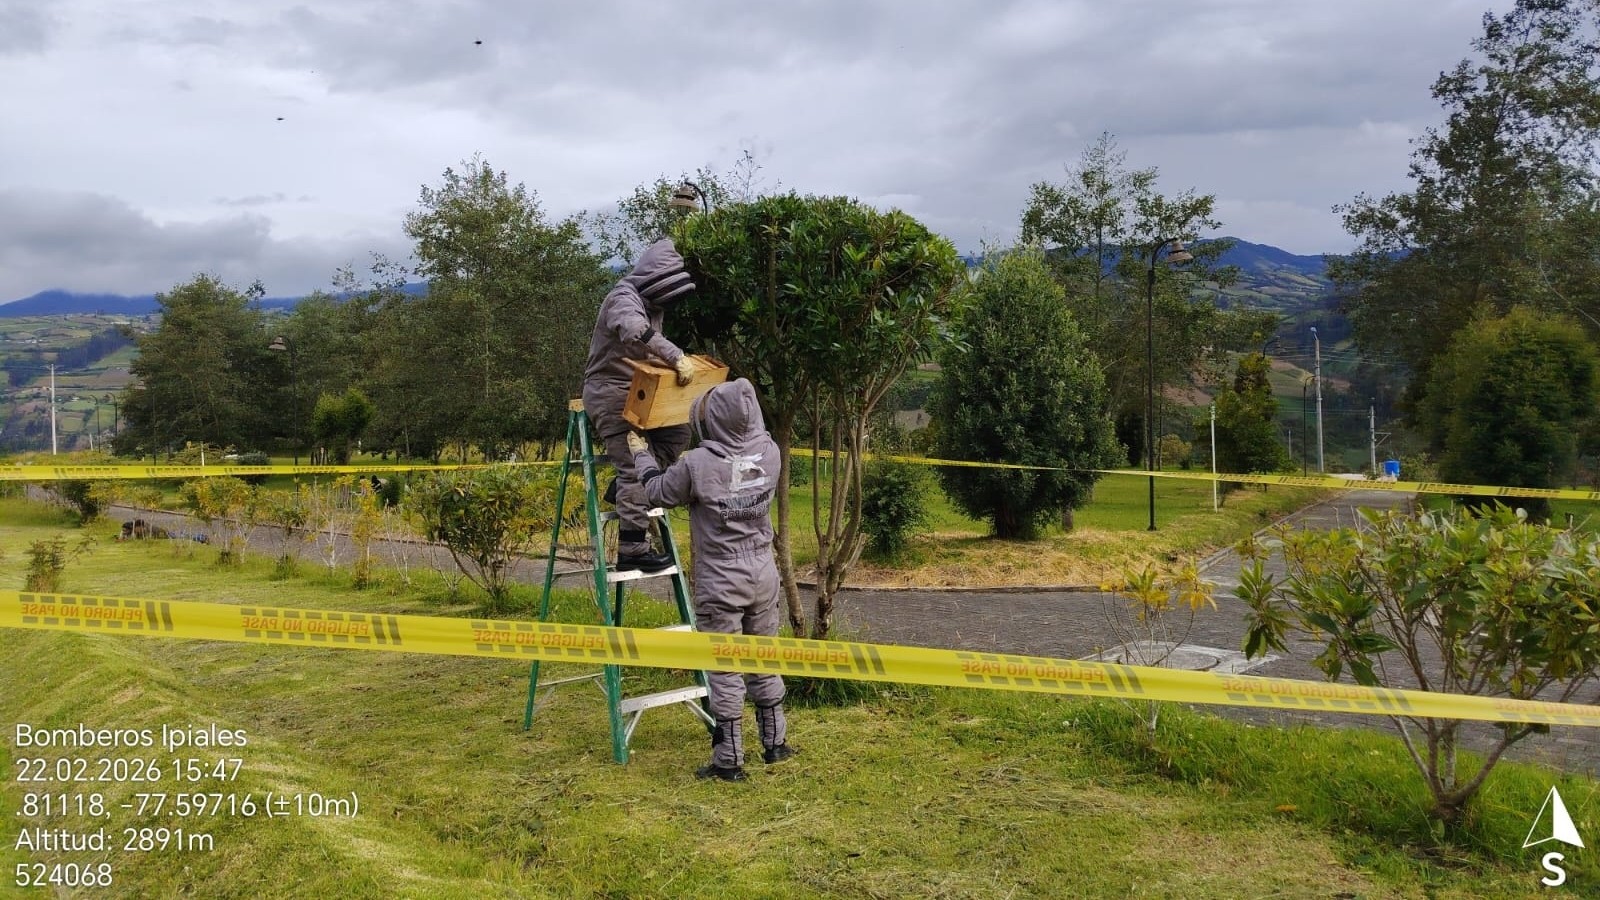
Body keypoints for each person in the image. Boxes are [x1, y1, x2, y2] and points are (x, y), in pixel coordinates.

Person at [627, 378, 796, 781]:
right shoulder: (770, 452)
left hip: (720, 579)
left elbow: (657, 492)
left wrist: (641, 456)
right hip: (763, 573)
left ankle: (729, 760)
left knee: (724, 666)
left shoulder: (697, 464)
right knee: (764, 655)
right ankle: (775, 743)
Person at [582, 237, 699, 571]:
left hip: (640, 390)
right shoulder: (623, 297)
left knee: (679, 433)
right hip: (611, 392)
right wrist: (675, 355)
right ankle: (632, 550)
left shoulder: (652, 306)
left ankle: (624, 488)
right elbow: (635, 331)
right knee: (634, 467)